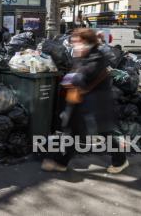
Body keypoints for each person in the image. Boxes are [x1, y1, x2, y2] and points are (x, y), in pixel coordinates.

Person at [41, 28, 129, 174]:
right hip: (80, 99)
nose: (74, 44)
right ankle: (61, 163)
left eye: (77, 41)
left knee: (103, 132)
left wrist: (71, 78)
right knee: (74, 132)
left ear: (86, 41)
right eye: (73, 41)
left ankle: (120, 160)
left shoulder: (97, 56)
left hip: (96, 102)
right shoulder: (83, 54)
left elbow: (85, 74)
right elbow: (77, 71)